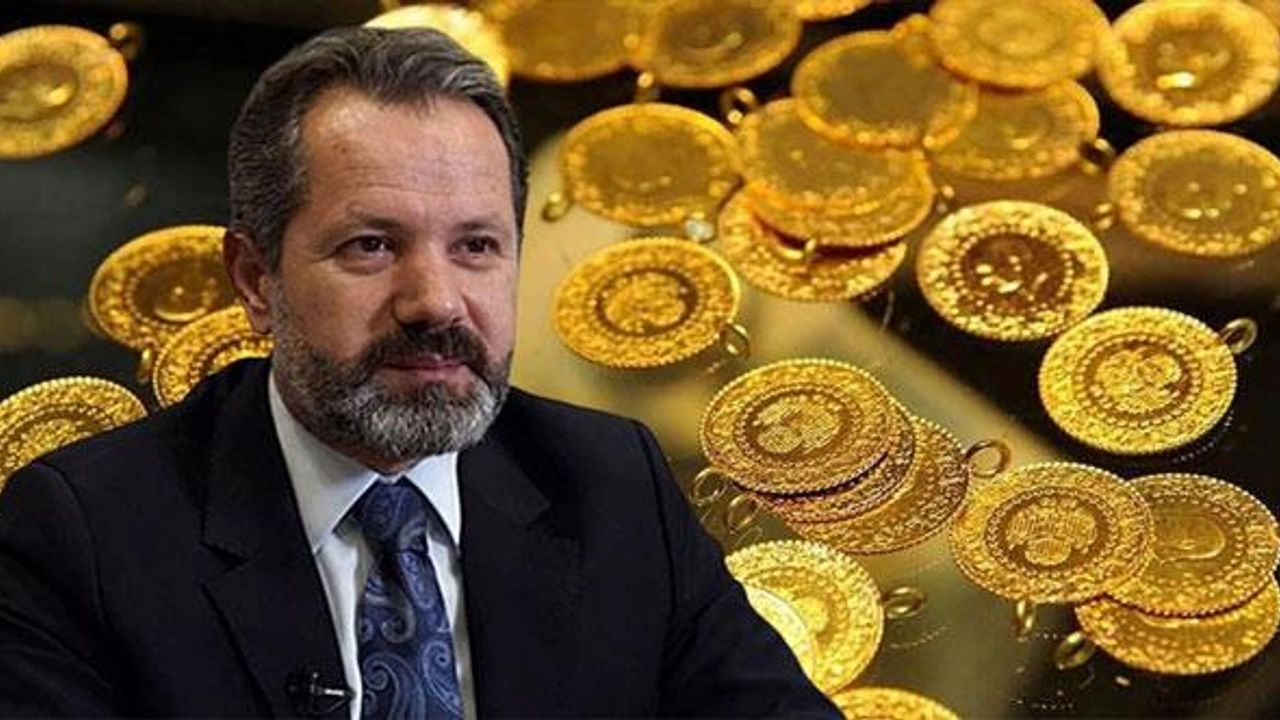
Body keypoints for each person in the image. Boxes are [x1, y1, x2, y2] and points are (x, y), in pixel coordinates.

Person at [0, 27, 838, 718]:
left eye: (476, 246)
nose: (435, 301)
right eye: (371, 246)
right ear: (256, 280)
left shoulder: (611, 484)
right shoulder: (84, 534)